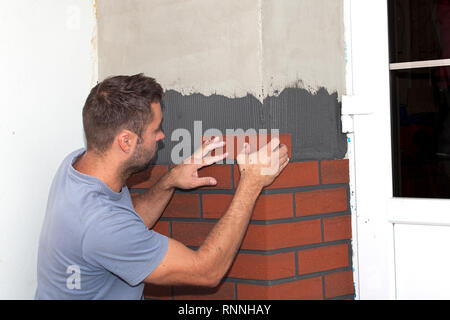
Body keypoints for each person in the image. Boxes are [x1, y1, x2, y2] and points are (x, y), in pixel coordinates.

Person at [35, 74, 289, 299]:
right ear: (125, 141)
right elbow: (206, 271)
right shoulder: (101, 225)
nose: (162, 136)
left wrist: (169, 181)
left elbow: (125, 221)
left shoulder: (78, 167)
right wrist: (251, 182)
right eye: (155, 130)